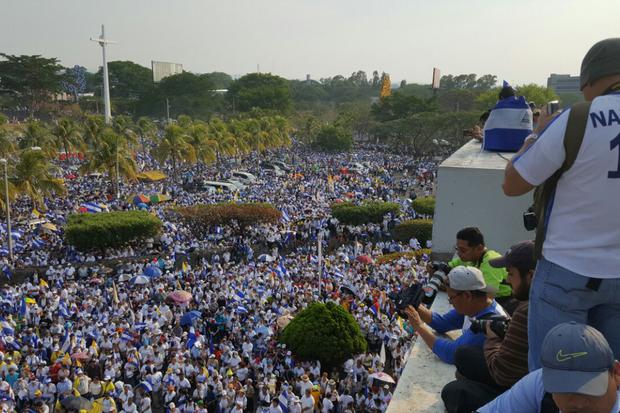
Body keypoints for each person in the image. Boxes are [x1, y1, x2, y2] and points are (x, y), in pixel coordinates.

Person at [502, 38, 620, 370]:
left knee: (553, 376)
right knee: (612, 380)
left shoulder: (577, 118)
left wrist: (536, 135)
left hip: (567, 270)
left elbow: (513, 184)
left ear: (591, 81)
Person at [441, 241, 535, 413]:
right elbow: (442, 323)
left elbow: (503, 373)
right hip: (521, 377)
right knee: (464, 354)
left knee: (454, 392)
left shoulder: (527, 310)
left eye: (511, 274)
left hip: (521, 389)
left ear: (530, 276)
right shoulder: (529, 304)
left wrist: (492, 337)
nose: (507, 279)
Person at [477, 322, 620, 413]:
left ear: (616, 373)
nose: (578, 403)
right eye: (563, 388)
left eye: (590, 389)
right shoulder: (539, 384)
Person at [404, 266, 507, 364]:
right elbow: (443, 323)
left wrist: (419, 326)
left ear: (467, 296)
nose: (450, 303)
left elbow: (451, 353)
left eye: (451, 298)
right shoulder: (476, 306)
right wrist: (415, 306)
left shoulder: (491, 322)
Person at [445, 227, 516, 314]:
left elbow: (486, 299)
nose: (459, 254)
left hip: (503, 302)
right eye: (457, 249)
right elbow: (447, 268)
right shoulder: (469, 258)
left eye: (463, 250)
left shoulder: (490, 262)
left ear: (479, 248)